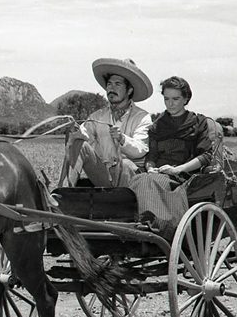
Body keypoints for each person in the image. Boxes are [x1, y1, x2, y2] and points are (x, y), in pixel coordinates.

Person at [129, 76, 213, 240]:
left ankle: (160, 225)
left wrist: (177, 169)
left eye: (175, 99)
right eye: (166, 99)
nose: (170, 103)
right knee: (139, 179)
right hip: (159, 173)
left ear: (186, 99)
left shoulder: (198, 122)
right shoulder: (157, 125)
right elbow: (151, 156)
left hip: (185, 177)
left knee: (149, 181)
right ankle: (143, 221)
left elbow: (205, 156)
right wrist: (150, 167)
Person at [62, 58, 153, 188]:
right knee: (79, 144)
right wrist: (75, 131)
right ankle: (63, 192)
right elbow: (83, 134)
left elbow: (140, 150)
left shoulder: (142, 117)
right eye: (109, 84)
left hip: (131, 179)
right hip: (104, 174)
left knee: (126, 164)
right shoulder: (98, 116)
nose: (111, 88)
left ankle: (123, 203)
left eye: (117, 84)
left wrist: (122, 139)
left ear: (129, 90)